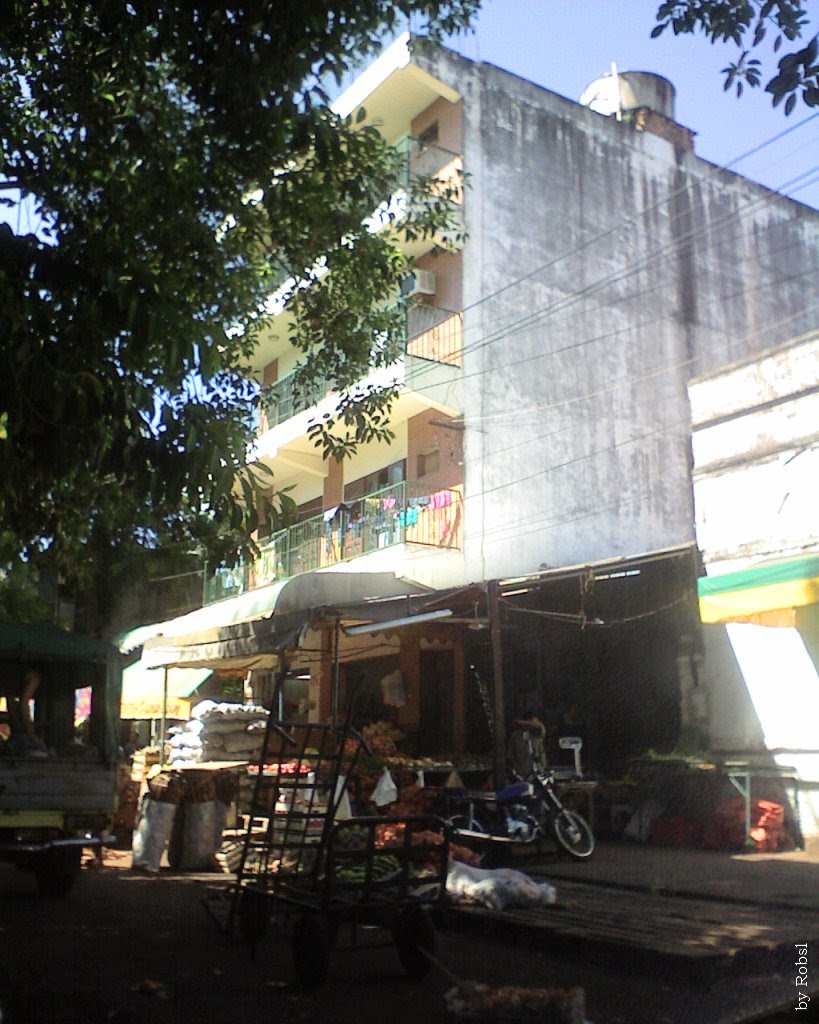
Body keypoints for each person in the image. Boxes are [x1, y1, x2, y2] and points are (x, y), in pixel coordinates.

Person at [507, 710, 547, 778]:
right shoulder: (516, 736)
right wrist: (517, 769)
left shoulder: (537, 733)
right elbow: (510, 756)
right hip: (523, 772)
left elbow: (538, 725)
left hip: (539, 771)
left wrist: (520, 722)